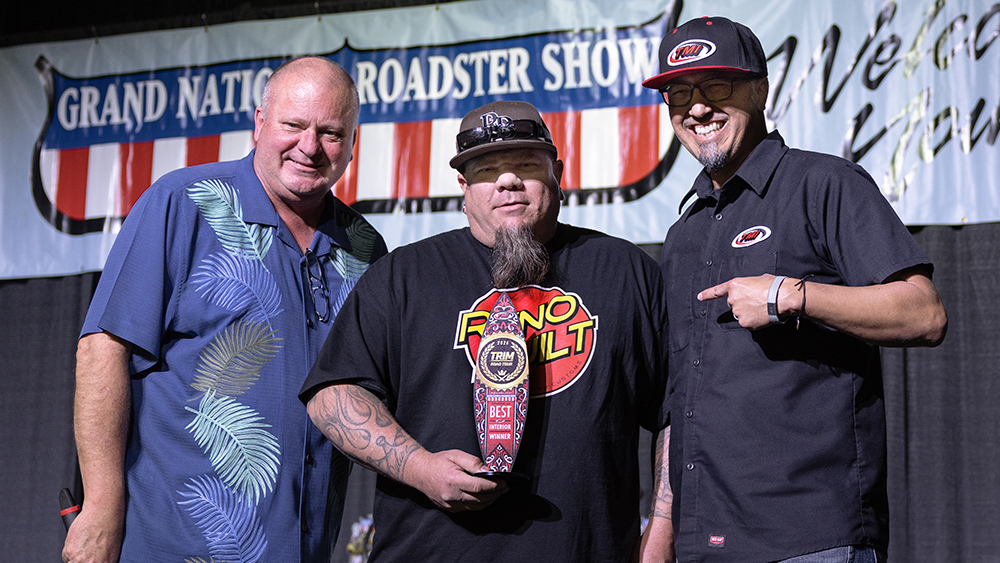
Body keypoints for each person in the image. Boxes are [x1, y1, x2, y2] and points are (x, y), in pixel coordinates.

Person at [299, 100, 672, 562]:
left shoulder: (625, 271)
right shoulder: (403, 275)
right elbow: (332, 395)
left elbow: (677, 411)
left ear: (557, 173)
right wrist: (420, 468)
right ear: (463, 186)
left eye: (526, 165)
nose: (507, 180)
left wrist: (661, 534)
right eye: (487, 169)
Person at [640, 16, 948, 563]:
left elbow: (923, 312)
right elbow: (679, 400)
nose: (697, 108)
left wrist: (791, 295)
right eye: (679, 93)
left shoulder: (824, 184)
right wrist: (662, 530)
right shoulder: (684, 234)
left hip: (810, 539)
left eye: (716, 86)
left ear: (760, 90)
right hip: (704, 543)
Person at [62, 57, 387, 563]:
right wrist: (101, 508)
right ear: (260, 123)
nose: (310, 146)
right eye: (293, 125)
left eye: (330, 133)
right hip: (171, 546)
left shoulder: (366, 249)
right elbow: (103, 350)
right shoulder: (182, 202)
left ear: (351, 144)